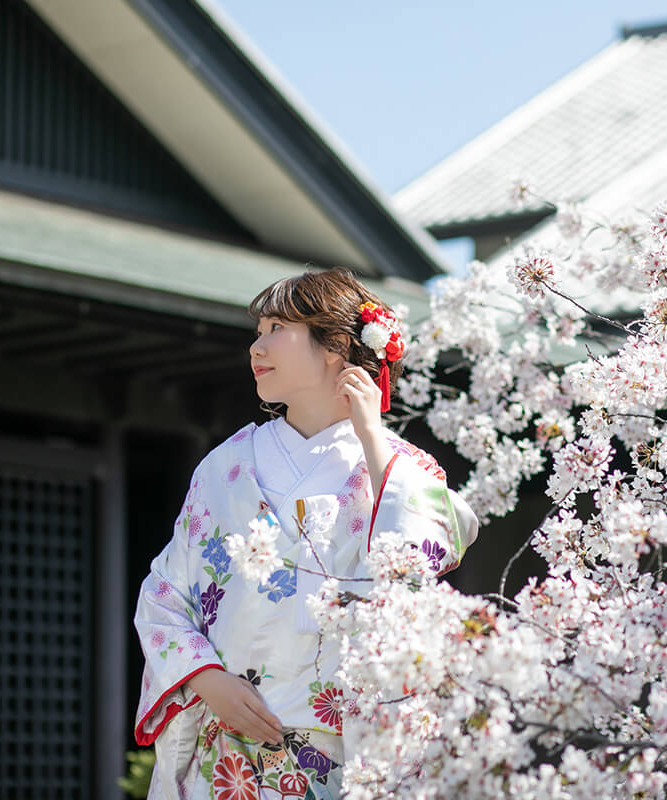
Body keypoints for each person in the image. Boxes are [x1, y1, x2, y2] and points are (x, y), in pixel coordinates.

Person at [133, 269, 477, 799]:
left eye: (276, 328)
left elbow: (423, 557)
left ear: (337, 346)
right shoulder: (224, 467)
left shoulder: (397, 468)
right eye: (258, 330)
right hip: (227, 744)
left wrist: (371, 437)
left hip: (345, 751)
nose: (256, 346)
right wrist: (205, 679)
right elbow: (164, 595)